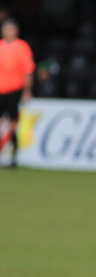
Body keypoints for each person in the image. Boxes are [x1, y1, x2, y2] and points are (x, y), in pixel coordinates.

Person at [0, 18, 35, 167]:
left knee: (13, 122)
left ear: (16, 31)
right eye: (5, 29)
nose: (7, 32)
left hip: (14, 89)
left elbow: (28, 70)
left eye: (10, 29)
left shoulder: (22, 46)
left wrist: (27, 90)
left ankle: (13, 156)